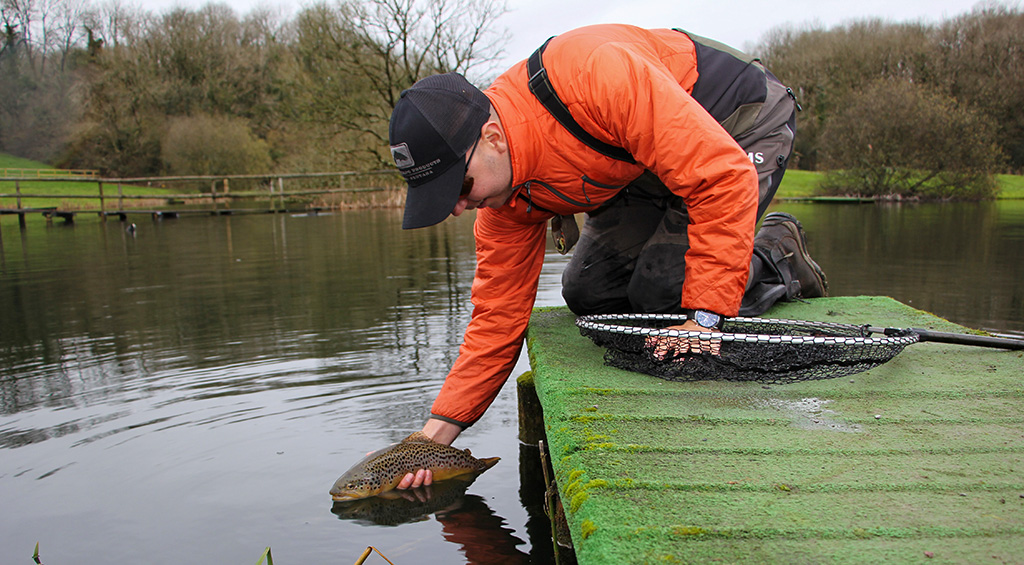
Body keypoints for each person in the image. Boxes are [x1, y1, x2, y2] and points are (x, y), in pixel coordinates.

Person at [386, 24, 827, 488]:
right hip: (642, 161)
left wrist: (707, 320)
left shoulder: (595, 75)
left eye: (459, 186)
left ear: (493, 137)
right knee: (589, 292)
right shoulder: (502, 203)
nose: (456, 207)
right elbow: (496, 318)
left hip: (738, 123)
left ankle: (778, 252)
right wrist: (432, 438)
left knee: (665, 293)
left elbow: (721, 178)